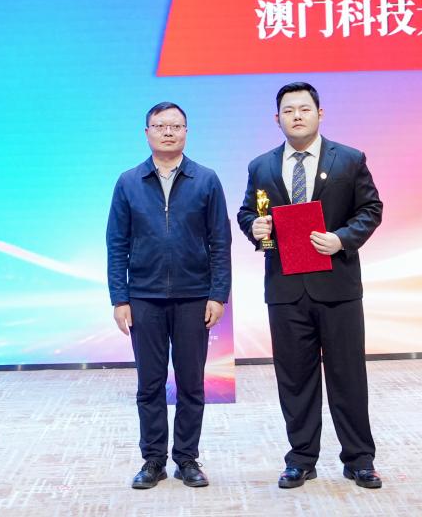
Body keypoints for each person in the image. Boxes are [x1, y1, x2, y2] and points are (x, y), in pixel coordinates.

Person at [237, 82, 385, 489]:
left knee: (347, 376)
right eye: (288, 110)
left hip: (337, 286)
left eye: (304, 108)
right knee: (295, 378)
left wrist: (342, 239)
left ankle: (359, 459)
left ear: (320, 114)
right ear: (277, 119)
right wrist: (255, 228)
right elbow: (248, 212)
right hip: (285, 289)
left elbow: (371, 208)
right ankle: (301, 458)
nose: (297, 116)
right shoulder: (261, 166)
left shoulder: (349, 159)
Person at [107, 102, 231, 489]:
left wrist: (218, 294)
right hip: (144, 298)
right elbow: (116, 244)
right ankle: (153, 460)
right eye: (160, 125)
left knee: (191, 383)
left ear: (186, 132)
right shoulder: (128, 182)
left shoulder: (206, 180)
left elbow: (220, 241)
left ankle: (187, 459)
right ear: (146, 133)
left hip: (194, 297)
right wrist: (120, 298)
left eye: (175, 126)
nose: (168, 132)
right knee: (150, 383)